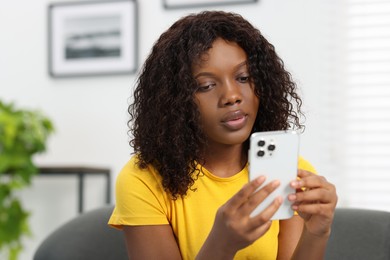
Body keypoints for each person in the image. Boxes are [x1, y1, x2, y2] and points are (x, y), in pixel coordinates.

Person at [108, 10, 337, 260]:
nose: (232, 96)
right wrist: (222, 244)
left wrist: (317, 233)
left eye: (243, 77)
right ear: (175, 101)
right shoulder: (143, 180)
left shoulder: (289, 171)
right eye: (206, 86)